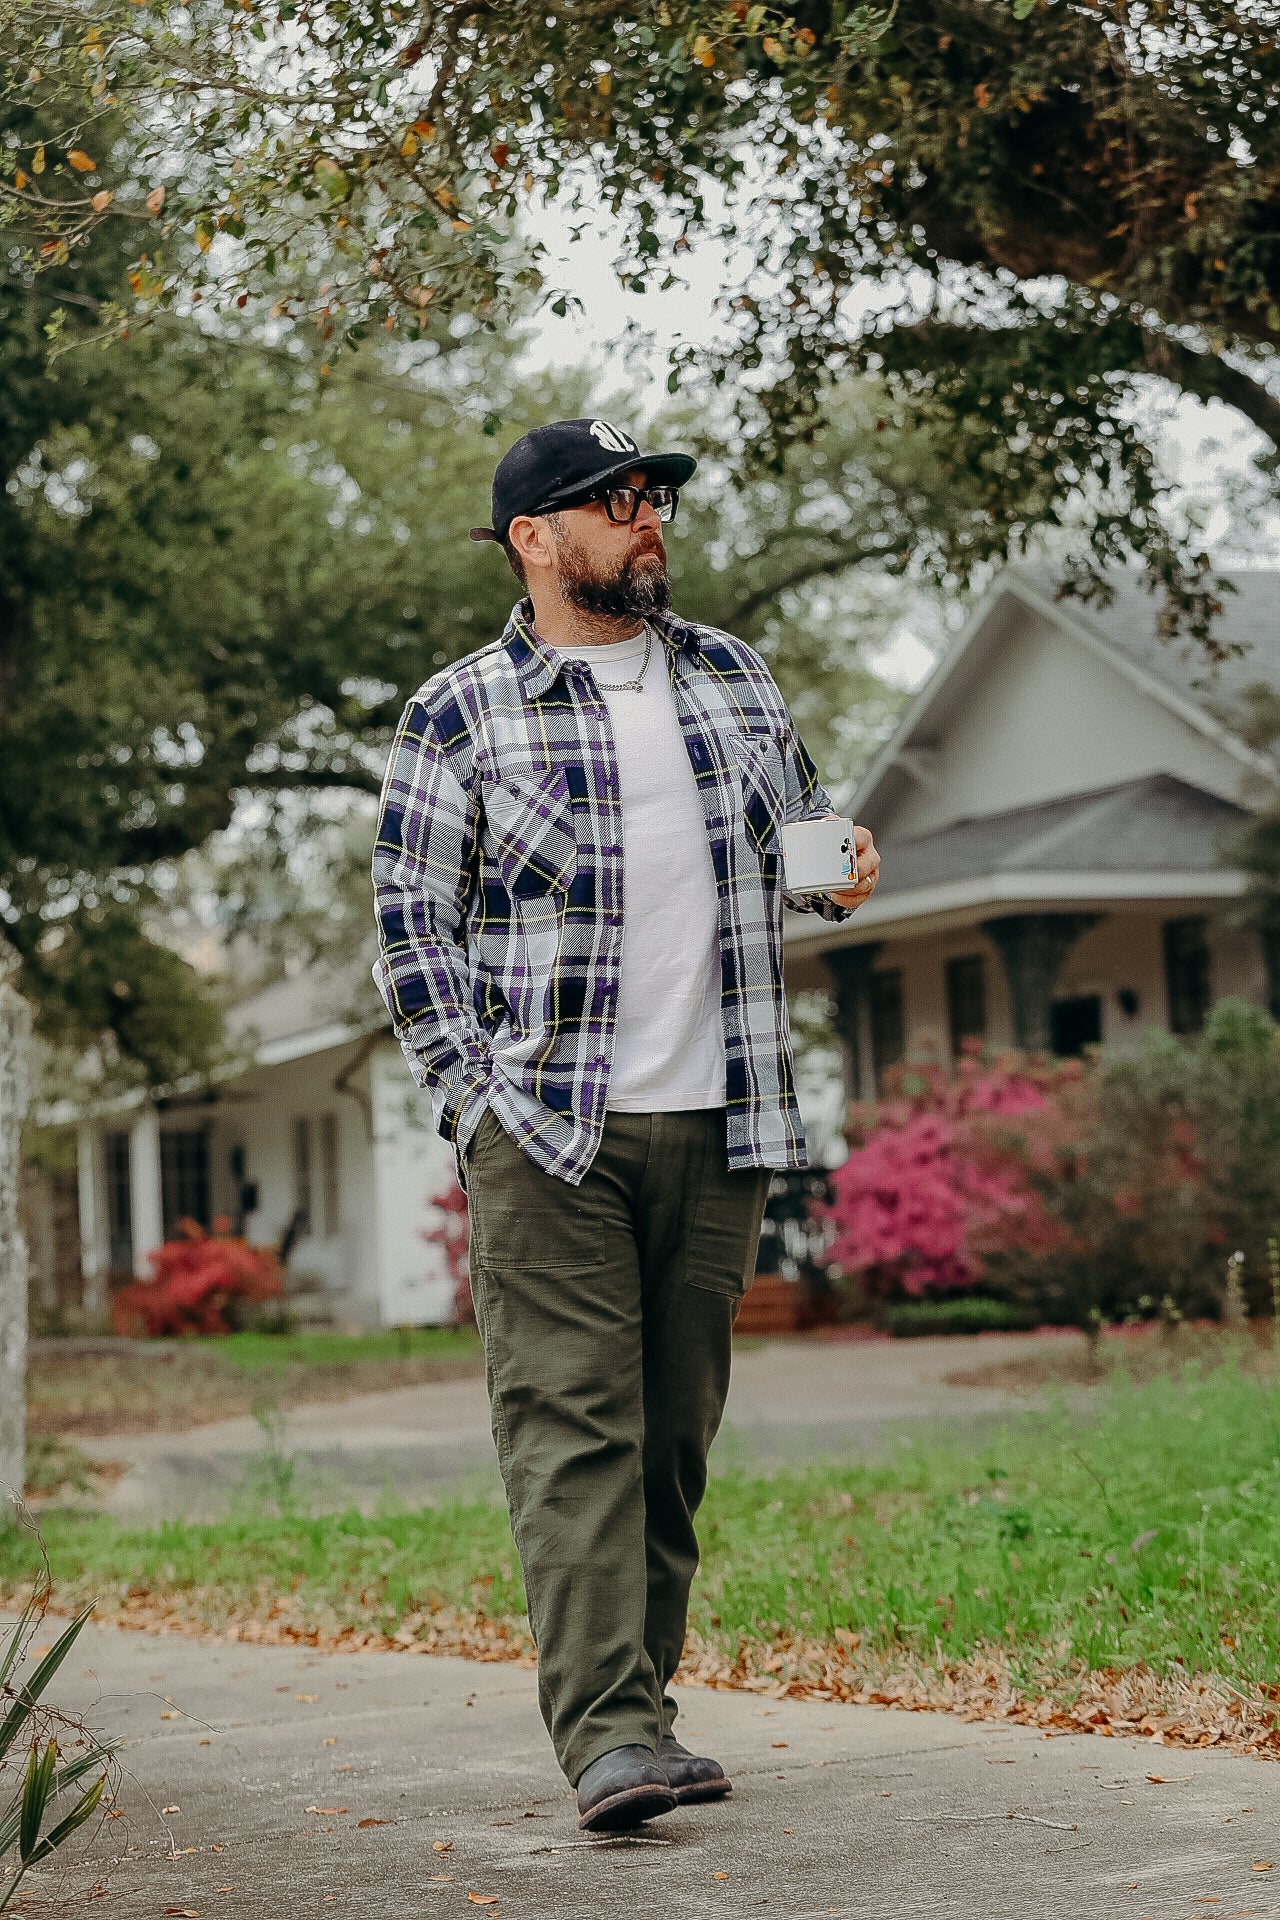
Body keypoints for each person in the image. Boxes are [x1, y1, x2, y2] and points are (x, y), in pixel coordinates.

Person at [371, 418, 881, 1832]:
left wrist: (838, 869)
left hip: (721, 1118)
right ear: (536, 539)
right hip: (547, 1131)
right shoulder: (459, 712)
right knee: (572, 1430)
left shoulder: (730, 675)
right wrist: (481, 1106)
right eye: (614, 503)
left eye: (651, 498)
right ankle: (605, 1737)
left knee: (668, 1444)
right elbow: (412, 936)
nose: (645, 520)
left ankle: (637, 1720)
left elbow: (802, 840)